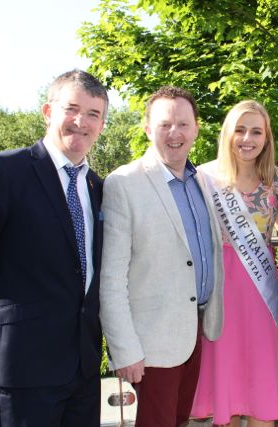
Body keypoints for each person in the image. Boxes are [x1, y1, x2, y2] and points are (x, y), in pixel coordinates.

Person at [0, 69, 108, 426]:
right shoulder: (5, 170)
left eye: (94, 114)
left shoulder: (98, 187)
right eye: (72, 109)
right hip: (23, 362)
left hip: (82, 364)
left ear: (102, 124)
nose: (82, 121)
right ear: (48, 112)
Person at [99, 86, 224, 427]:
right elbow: (111, 278)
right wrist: (125, 350)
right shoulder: (123, 184)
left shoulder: (203, 182)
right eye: (165, 124)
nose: (175, 133)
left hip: (194, 333)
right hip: (150, 345)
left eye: (183, 124)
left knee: (179, 421)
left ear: (196, 128)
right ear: (147, 128)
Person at [191, 100, 278, 426]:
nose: (247, 138)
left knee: (261, 391)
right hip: (221, 295)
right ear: (227, 134)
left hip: (262, 295)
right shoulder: (202, 177)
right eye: (240, 129)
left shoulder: (277, 181)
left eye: (256, 131)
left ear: (266, 138)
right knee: (228, 392)